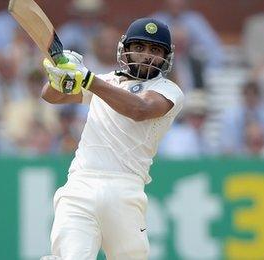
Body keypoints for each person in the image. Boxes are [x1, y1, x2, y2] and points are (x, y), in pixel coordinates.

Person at [41, 18, 184, 259]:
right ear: (125, 50)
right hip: (80, 185)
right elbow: (51, 97)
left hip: (125, 189)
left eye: (155, 50)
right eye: (139, 48)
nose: (147, 56)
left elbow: (140, 109)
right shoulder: (106, 81)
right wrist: (61, 75)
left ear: (166, 57)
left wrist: (87, 78)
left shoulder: (169, 90)